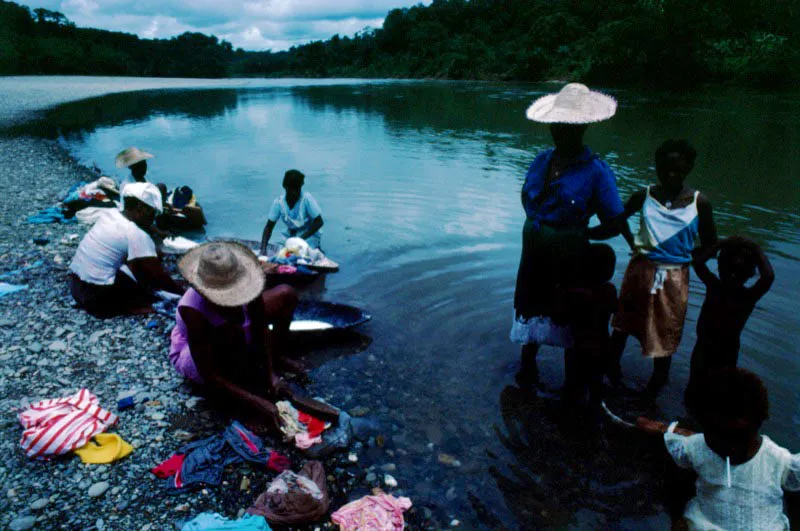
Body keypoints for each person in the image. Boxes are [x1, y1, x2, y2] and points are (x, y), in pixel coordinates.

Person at [510, 83, 624, 389]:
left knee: (568, 317)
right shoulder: (541, 161)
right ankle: (527, 372)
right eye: (558, 124)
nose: (562, 131)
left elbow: (614, 222)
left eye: (570, 126)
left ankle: (571, 388)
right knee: (531, 309)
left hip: (569, 257)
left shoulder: (597, 171)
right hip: (533, 253)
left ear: (584, 126)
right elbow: (528, 201)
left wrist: (579, 235)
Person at [170, 242, 334, 429]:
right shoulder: (192, 310)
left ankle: (273, 361)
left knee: (286, 294)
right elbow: (208, 374)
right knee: (233, 335)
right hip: (198, 355)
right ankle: (241, 391)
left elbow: (260, 326)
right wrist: (256, 402)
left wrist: (271, 374)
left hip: (236, 334)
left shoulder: (248, 286)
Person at [608, 139, 717, 398]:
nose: (671, 174)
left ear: (688, 168)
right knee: (623, 326)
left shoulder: (700, 203)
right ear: (656, 166)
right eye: (665, 168)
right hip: (639, 271)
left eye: (677, 169)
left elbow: (712, 243)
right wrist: (632, 243)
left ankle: (653, 390)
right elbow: (617, 220)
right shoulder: (643, 196)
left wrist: (689, 260)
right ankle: (610, 376)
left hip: (674, 278)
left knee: (665, 335)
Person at [660, 368, 800, 529]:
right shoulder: (696, 447)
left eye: (737, 438)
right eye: (714, 436)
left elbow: (795, 501)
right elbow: (677, 485)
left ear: (756, 426)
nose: (726, 446)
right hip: (706, 524)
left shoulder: (777, 460)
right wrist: (677, 517)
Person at [685, 236, 774, 409]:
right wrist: (755, 248)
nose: (732, 275)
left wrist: (721, 244)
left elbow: (698, 262)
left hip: (715, 351)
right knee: (711, 396)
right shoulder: (743, 295)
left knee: (702, 393)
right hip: (716, 351)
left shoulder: (719, 288)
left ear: (720, 268)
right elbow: (768, 276)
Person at [69, 182, 183, 317]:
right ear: (141, 209)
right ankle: (126, 307)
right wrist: (183, 292)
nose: (153, 220)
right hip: (95, 300)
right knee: (146, 288)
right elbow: (159, 277)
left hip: (75, 287)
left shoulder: (111, 214)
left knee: (131, 269)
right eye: (152, 213)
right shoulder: (135, 233)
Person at [559, 244, 618, 405]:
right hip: (602, 347)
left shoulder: (574, 293)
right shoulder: (610, 290)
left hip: (577, 348)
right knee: (596, 385)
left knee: (571, 385)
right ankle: (595, 411)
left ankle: (569, 415)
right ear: (609, 271)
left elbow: (562, 318)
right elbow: (615, 309)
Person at [260, 169, 324, 255]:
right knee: (280, 251)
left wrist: (299, 240)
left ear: (300, 187)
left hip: (308, 235)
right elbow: (268, 227)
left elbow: (319, 222)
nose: (294, 193)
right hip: (290, 234)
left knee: (303, 252)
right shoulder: (279, 203)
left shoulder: (306, 199)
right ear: (285, 187)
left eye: (297, 189)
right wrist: (263, 249)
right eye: (291, 189)